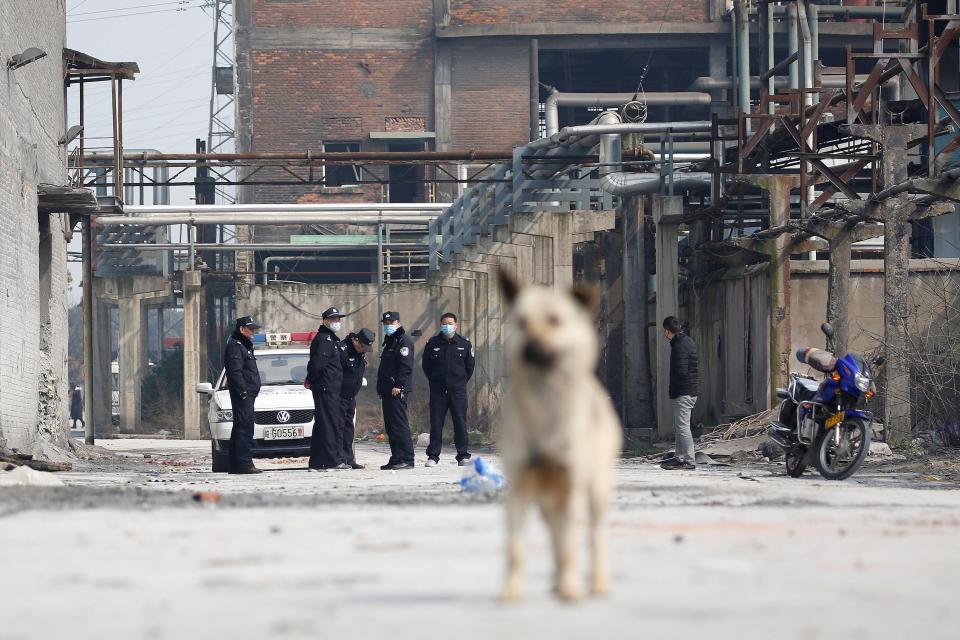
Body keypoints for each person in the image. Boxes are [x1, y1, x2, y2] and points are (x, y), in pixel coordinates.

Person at [422, 312, 475, 466]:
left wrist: (459, 382)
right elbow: (426, 366)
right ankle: (433, 456)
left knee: (460, 423)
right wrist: (435, 381)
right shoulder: (432, 343)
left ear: (456, 325)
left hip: (458, 391)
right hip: (438, 392)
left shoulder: (464, 344)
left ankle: (462, 456)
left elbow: (469, 367)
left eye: (450, 323)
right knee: (436, 423)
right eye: (444, 323)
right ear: (440, 325)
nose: (447, 326)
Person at [305, 307, 346, 471]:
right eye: (333, 319)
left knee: (322, 425)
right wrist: (310, 379)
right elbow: (318, 364)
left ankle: (316, 462)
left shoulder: (330, 339)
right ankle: (331, 461)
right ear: (325, 321)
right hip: (325, 388)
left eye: (338, 319)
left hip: (329, 388)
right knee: (329, 425)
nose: (337, 322)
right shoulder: (325, 340)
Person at [224, 315, 263, 474]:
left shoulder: (245, 345)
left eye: (254, 329)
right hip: (243, 395)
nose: (253, 332)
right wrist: (244, 392)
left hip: (248, 394)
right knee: (244, 429)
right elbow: (235, 372)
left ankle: (235, 465)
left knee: (240, 427)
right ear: (241, 329)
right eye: (251, 329)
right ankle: (245, 464)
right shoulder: (236, 345)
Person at [377, 311, 415, 470]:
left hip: (396, 390)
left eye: (391, 323)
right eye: (385, 324)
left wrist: (399, 385)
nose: (387, 326)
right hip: (387, 390)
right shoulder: (391, 341)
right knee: (391, 427)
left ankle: (407, 458)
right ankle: (396, 457)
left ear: (398, 323)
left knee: (399, 425)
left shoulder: (403, 341)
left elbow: (405, 367)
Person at [660, 316, 700, 470]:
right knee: (679, 426)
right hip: (688, 391)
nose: (665, 334)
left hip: (684, 392)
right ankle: (679, 457)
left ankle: (689, 460)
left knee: (683, 427)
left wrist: (674, 391)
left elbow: (681, 372)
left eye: (665, 330)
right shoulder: (686, 341)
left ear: (668, 330)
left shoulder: (680, 346)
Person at [338, 327, 375, 469]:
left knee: (349, 430)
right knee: (339, 429)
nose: (364, 350)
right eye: (363, 347)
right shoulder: (342, 350)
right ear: (356, 340)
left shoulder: (360, 353)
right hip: (339, 397)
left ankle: (349, 459)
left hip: (350, 397)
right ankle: (340, 459)